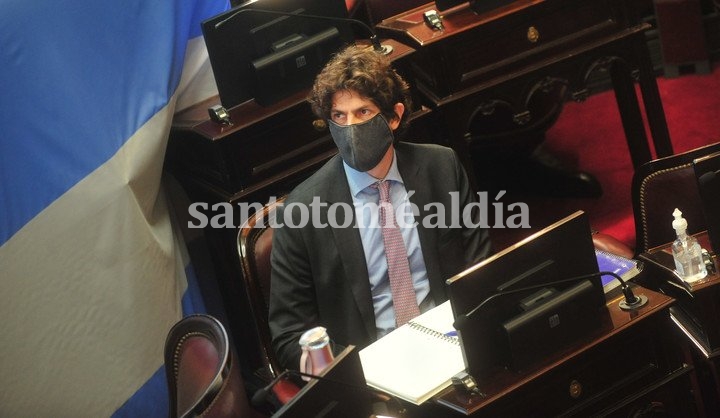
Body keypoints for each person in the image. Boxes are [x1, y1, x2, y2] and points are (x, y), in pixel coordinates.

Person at [268, 45, 492, 371]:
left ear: (394, 115)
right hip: (369, 369)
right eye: (338, 116)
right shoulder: (301, 211)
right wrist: (350, 376)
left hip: (454, 346)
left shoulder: (441, 167)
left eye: (363, 113)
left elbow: (480, 267)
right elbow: (289, 334)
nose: (350, 129)